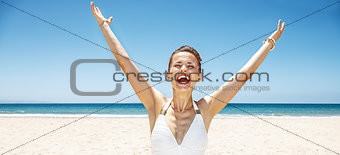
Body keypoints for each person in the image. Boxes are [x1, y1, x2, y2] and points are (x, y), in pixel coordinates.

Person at [90, 2, 285, 154]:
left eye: (191, 66)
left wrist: (269, 43)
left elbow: (242, 76)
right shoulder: (156, 104)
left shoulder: (206, 109)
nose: (184, 68)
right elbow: (126, 64)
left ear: (198, 77)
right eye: (177, 65)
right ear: (169, 75)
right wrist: (104, 26)